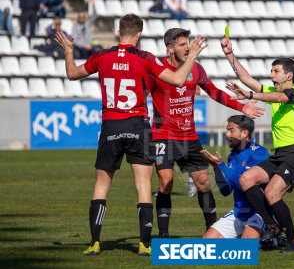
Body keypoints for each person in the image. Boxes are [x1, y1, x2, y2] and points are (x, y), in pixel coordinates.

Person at [54, 13, 207, 256]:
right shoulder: (145, 58)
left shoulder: (102, 56)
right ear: (139, 35)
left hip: (111, 125)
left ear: (118, 33)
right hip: (138, 126)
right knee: (143, 184)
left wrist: (69, 50)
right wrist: (194, 55)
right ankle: (144, 244)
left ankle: (95, 243)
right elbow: (178, 79)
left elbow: (72, 74)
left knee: (102, 185)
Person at [149, 28, 264, 238]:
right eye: (182, 44)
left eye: (188, 43)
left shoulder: (197, 69)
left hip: (189, 136)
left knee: (204, 183)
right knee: (166, 181)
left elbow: (214, 92)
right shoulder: (157, 70)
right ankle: (163, 234)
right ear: (169, 48)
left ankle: (212, 229)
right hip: (163, 135)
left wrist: (242, 107)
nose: (188, 47)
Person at [222, 37, 294, 253]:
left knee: (272, 194)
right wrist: (229, 54)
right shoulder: (274, 94)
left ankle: (293, 242)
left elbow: (281, 97)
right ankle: (271, 225)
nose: (271, 75)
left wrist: (251, 95)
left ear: (288, 75)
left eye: (276, 71)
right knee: (247, 179)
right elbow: (246, 78)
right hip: (280, 154)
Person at [201, 115, 286, 249]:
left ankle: (273, 241)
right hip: (238, 213)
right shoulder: (232, 156)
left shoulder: (259, 153)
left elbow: (244, 185)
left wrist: (222, 165)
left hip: (258, 213)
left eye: (231, 130)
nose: (226, 135)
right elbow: (225, 191)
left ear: (245, 133)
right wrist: (216, 167)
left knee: (245, 249)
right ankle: (262, 239)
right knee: (205, 245)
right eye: (227, 130)